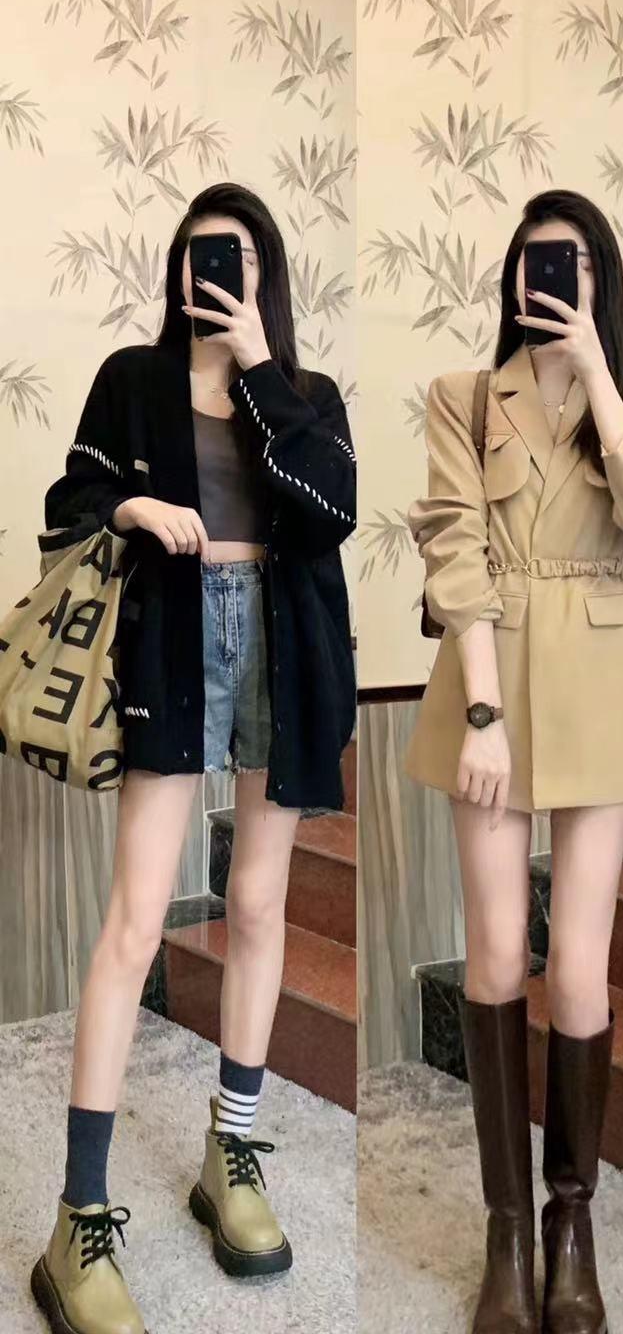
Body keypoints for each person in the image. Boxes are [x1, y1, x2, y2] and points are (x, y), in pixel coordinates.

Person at [31, 183, 356, 1334]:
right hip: (174, 641)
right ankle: (78, 1219)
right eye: (194, 256)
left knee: (259, 905)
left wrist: (259, 367)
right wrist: (133, 511)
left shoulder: (305, 396)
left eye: (232, 258)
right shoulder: (134, 378)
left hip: (281, 647)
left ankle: (232, 1156)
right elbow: (70, 500)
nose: (207, 274)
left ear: (265, 275)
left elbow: (328, 515)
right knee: (135, 919)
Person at [406, 188, 623, 1334]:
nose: (548, 281)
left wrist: (600, 379)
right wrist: (483, 711)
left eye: (570, 265)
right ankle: (508, 1236)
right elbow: (455, 548)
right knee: (493, 951)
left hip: (606, 686)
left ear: (599, 281)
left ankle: (571, 1225)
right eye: (533, 263)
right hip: (492, 675)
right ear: (511, 278)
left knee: (578, 965)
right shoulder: (465, 395)